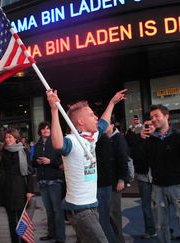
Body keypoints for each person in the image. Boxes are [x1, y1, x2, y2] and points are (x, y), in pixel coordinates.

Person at [46, 88, 126, 243]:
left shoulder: (92, 136)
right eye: (91, 115)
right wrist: (54, 110)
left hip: (92, 205)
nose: (95, 117)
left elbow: (103, 122)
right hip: (80, 210)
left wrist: (112, 102)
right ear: (80, 122)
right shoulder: (72, 141)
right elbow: (58, 144)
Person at [140, 104, 180, 243]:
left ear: (166, 116)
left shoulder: (179, 136)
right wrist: (141, 139)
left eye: (157, 116)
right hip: (157, 187)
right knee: (161, 226)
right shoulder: (150, 139)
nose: (153, 119)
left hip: (178, 186)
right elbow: (140, 160)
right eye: (151, 117)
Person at [0, 128, 35, 243]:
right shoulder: (2, 151)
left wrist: (30, 190)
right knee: (11, 221)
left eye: (10, 137)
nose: (7, 139)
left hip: (20, 188)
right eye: (6, 137)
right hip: (7, 189)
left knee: (22, 220)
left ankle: (24, 240)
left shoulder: (23, 151)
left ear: (16, 138)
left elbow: (29, 171)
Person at [32, 121, 66, 243]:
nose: (46, 130)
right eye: (44, 128)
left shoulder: (56, 143)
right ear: (40, 131)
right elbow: (33, 162)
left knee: (57, 210)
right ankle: (51, 234)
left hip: (55, 181)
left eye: (48, 128)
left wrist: (50, 161)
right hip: (42, 181)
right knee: (49, 210)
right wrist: (38, 161)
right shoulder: (37, 145)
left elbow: (62, 163)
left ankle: (61, 238)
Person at [125, 117, 156, 239]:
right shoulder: (138, 139)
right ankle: (150, 230)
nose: (148, 128)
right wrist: (141, 139)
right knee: (146, 206)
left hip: (158, 177)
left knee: (161, 206)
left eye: (151, 126)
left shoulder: (158, 139)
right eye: (146, 126)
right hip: (144, 177)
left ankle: (163, 228)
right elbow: (134, 155)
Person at [107, 121, 130, 243]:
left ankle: (118, 240)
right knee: (108, 213)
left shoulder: (118, 139)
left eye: (106, 124)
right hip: (106, 182)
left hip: (116, 182)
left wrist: (122, 179)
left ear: (112, 126)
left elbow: (123, 159)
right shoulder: (103, 138)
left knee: (114, 213)